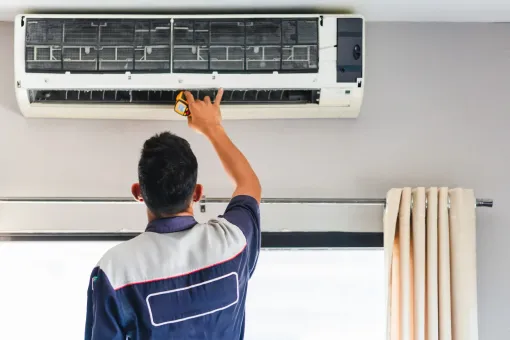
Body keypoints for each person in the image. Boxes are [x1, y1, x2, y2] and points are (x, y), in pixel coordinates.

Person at [84, 89, 262, 340]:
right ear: (197, 193)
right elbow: (250, 185)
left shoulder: (115, 270)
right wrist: (212, 127)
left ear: (138, 193)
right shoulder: (232, 241)